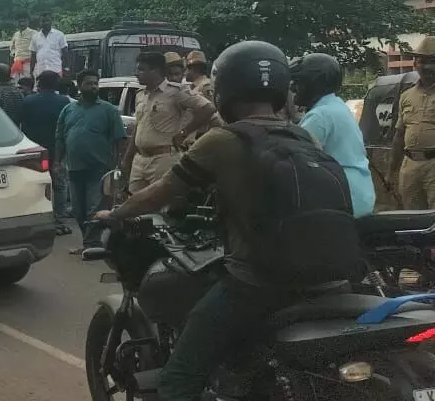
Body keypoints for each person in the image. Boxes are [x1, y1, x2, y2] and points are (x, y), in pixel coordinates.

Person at [95, 40, 357, 399]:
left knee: (177, 379)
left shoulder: (223, 140)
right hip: (330, 281)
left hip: (259, 285)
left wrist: (116, 212)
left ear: (225, 90)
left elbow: (161, 192)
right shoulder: (304, 135)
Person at [119, 52, 216, 193]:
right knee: (134, 201)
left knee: (160, 202)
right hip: (140, 159)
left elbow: (208, 108)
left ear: (155, 71)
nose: (136, 73)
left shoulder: (176, 91)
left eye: (141, 69)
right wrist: (127, 158)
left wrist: (184, 132)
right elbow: (138, 127)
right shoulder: (140, 94)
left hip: (163, 158)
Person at [292, 53, 374, 217]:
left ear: (312, 84)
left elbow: (296, 158)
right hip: (359, 193)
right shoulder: (337, 106)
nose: (294, 88)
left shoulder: (319, 116)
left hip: (343, 198)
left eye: (299, 82)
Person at [55, 70, 126, 249]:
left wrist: (117, 165)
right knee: (77, 210)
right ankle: (90, 243)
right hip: (74, 168)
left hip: (99, 168)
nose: (94, 87)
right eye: (89, 83)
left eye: (95, 83)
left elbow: (120, 140)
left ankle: (91, 245)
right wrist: (57, 162)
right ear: (79, 86)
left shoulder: (109, 110)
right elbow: (60, 138)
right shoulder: (68, 109)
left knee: (94, 209)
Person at [20, 71, 72, 234]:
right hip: (57, 151)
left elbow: (23, 125)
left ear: (39, 83)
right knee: (59, 186)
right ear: (56, 84)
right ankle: (58, 222)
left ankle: (35, 221)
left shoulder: (28, 101)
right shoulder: (64, 101)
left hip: (34, 151)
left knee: (35, 185)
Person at [391, 35, 435, 210]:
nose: (427, 66)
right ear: (415, 64)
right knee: (412, 216)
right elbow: (399, 136)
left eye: (432, 61)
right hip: (409, 166)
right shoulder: (406, 95)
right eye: (422, 61)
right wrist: (391, 172)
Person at [29, 12, 67, 78]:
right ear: (40, 22)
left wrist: (65, 69)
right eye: (43, 21)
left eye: (48, 20)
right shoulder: (35, 37)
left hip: (56, 70)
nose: (46, 23)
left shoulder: (60, 34)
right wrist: (31, 71)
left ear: (51, 21)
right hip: (40, 70)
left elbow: (65, 53)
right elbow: (33, 56)